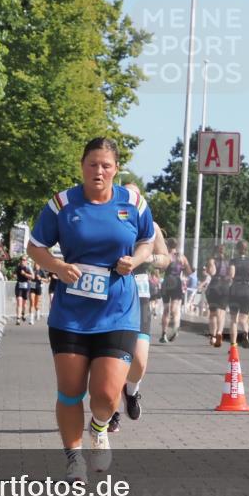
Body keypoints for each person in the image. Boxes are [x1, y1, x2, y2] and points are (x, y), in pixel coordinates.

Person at [26, 137, 155, 482]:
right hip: (71, 313)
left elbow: (147, 240)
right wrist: (56, 266)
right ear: (82, 165)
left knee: (106, 393)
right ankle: (74, 457)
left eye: (106, 165)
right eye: (93, 164)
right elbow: (35, 246)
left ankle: (99, 426)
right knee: (70, 390)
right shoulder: (62, 204)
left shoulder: (133, 203)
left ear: (115, 169)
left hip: (118, 311)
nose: (99, 171)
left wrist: (136, 259)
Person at [109, 184, 170, 434]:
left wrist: (147, 258)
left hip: (140, 295)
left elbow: (165, 259)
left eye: (135, 196)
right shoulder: (112, 220)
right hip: (112, 295)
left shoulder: (151, 226)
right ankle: (110, 413)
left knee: (140, 361)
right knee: (111, 359)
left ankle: (131, 392)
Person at [228, 240, 249, 348]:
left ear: (237, 249)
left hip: (235, 290)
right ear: (246, 250)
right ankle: (245, 332)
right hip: (247, 290)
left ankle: (233, 345)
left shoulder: (233, 261)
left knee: (233, 319)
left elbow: (231, 274)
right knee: (243, 318)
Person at [159, 240, 191, 343]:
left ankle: (164, 333)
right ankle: (176, 327)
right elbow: (189, 271)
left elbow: (161, 270)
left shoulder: (167, 256)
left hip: (167, 282)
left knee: (166, 310)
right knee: (175, 308)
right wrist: (183, 271)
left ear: (167, 245)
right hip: (177, 282)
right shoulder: (182, 257)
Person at [206, 245, 232, 347]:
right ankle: (219, 333)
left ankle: (212, 336)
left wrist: (210, 265)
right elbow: (231, 275)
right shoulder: (229, 261)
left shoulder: (212, 260)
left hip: (214, 286)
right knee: (222, 313)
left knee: (213, 313)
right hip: (225, 287)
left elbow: (212, 272)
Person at [14, 256, 34, 324]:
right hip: (19, 285)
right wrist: (14, 275)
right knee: (19, 302)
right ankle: (18, 319)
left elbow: (33, 277)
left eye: (24, 260)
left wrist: (25, 274)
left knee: (24, 304)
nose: (23, 261)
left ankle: (23, 313)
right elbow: (13, 274)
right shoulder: (18, 267)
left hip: (26, 285)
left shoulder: (28, 267)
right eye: (21, 260)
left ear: (26, 261)